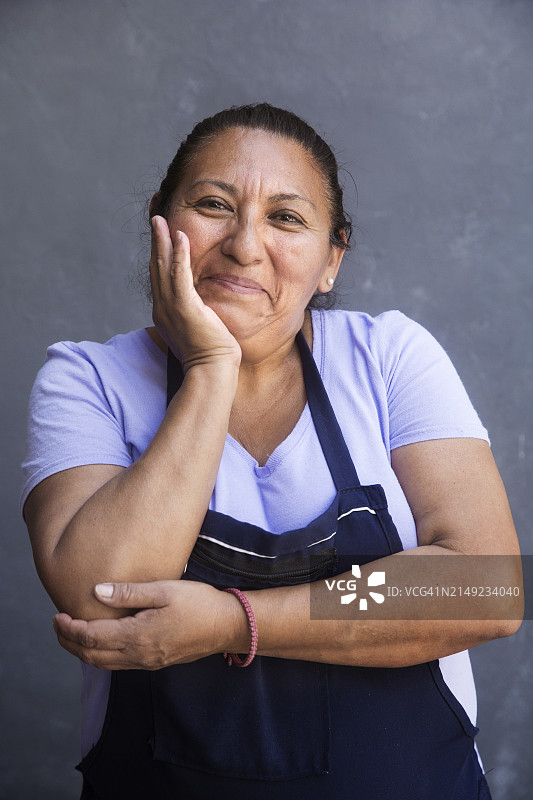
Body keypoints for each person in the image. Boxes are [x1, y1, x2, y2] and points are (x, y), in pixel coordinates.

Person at [22, 103, 520, 799]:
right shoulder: (87, 380)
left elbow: (482, 589)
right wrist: (210, 370)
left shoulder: (387, 358)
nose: (245, 244)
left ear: (330, 260)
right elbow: (99, 605)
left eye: (285, 217)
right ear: (160, 224)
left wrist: (235, 622)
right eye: (213, 205)